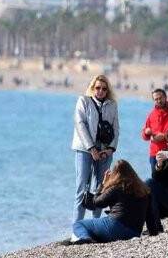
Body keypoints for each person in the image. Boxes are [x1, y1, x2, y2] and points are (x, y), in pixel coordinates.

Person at [70, 159, 158, 244]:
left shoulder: (116, 188)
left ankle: (85, 238)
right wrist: (153, 233)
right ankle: (93, 238)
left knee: (79, 224)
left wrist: (103, 184)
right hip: (134, 233)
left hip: (114, 227)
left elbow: (97, 203)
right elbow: (150, 216)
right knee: (97, 229)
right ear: (133, 173)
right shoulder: (144, 190)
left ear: (115, 174)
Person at [71, 74, 120, 223]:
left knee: (101, 188)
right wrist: (91, 148)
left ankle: (95, 224)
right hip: (84, 150)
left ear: (107, 91)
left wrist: (110, 149)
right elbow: (80, 124)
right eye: (97, 88)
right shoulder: (83, 101)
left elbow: (116, 129)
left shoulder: (112, 105)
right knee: (82, 187)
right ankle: (77, 228)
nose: (100, 91)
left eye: (104, 89)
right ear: (92, 88)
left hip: (105, 151)